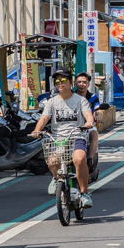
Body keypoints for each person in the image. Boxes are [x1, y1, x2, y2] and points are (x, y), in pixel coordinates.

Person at [30, 69, 95, 208]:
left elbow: (88, 114)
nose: (60, 83)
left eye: (63, 80)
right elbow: (44, 118)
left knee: (79, 159)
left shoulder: (80, 100)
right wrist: (37, 130)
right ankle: (56, 179)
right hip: (58, 138)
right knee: (52, 160)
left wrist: (89, 121)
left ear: (71, 82)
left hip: (76, 135)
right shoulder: (52, 102)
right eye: (57, 81)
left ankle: (84, 193)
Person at [74, 72, 100, 162]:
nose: (82, 84)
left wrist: (99, 116)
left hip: (88, 126)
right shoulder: (70, 97)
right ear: (75, 83)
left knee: (94, 133)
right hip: (72, 126)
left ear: (88, 84)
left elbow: (98, 109)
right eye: (79, 82)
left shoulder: (93, 97)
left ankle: (90, 159)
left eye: (84, 82)